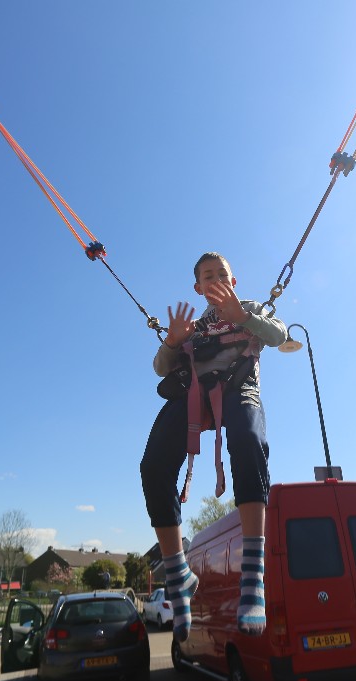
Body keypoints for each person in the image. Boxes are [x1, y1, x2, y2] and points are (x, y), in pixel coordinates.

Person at [141, 252, 287, 641]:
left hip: (239, 389)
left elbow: (278, 336)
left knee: (248, 441)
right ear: (198, 288)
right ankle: (178, 572)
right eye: (208, 276)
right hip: (197, 397)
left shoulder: (250, 307)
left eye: (222, 273)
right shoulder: (194, 326)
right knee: (153, 465)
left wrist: (243, 317)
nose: (216, 279)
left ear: (233, 281)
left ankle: (252, 575)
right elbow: (161, 367)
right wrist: (173, 341)